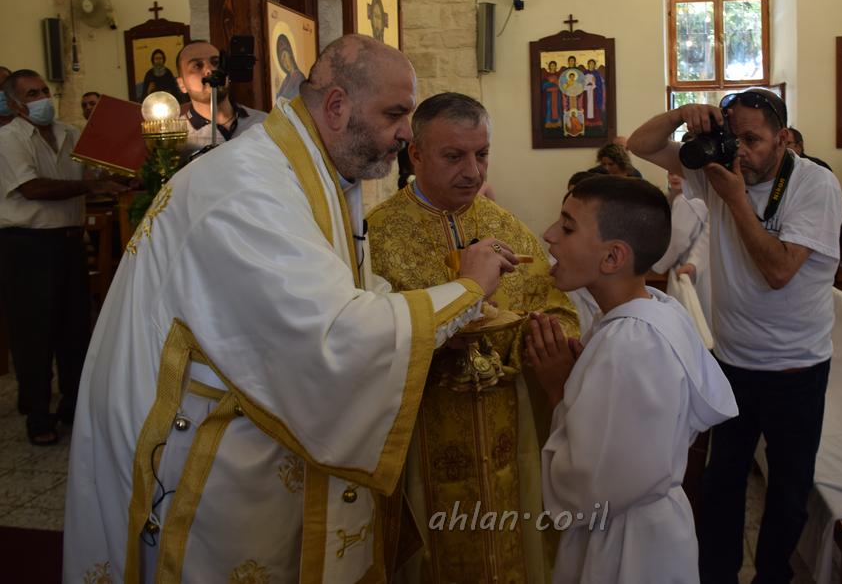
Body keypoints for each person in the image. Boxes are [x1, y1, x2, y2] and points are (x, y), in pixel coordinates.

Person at [63, 35, 519, 583]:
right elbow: (332, 335)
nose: (406, 133)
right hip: (201, 449)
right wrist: (466, 291)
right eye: (395, 114)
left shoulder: (308, 168)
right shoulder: (250, 188)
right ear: (337, 106)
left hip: (244, 423)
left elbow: (346, 284)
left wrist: (429, 306)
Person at [627, 88, 842, 584]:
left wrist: (736, 198)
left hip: (796, 368)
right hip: (732, 364)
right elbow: (641, 144)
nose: (740, 152)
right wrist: (682, 113)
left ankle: (772, 577)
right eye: (734, 138)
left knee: (788, 490)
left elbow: (779, 271)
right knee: (721, 482)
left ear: (783, 139)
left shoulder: (815, 185)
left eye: (753, 140)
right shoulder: (719, 170)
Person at [366, 92, 578, 583]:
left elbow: (555, 307)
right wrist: (433, 339)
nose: (472, 171)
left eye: (481, 154)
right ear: (416, 155)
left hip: (507, 429)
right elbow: (363, 336)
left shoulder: (505, 227)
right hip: (423, 431)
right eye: (454, 156)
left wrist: (545, 340)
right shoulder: (378, 236)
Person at [525, 175, 737, 583]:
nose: (549, 235)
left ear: (612, 257)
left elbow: (589, 486)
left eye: (567, 227)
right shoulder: (656, 307)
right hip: (648, 529)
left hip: (628, 546)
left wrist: (557, 391)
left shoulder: (630, 343)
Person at [0, 69, 127, 446]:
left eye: (44, 91)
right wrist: (91, 184)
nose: (43, 99)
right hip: (27, 244)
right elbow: (32, 188)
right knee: (33, 332)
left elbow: (98, 169)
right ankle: (37, 413)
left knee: (75, 328)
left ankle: (74, 403)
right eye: (32, 94)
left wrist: (125, 168)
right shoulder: (8, 139)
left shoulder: (69, 133)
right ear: (15, 105)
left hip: (69, 241)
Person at [175, 40, 267, 158]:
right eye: (197, 66)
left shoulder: (264, 124)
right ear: (182, 84)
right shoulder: (175, 138)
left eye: (216, 62)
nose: (210, 70)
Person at [651, 172, 711, 322]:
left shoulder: (686, 200)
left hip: (686, 269)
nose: (674, 177)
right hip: (702, 266)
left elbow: (678, 241)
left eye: (680, 173)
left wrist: (657, 266)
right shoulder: (700, 196)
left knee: (691, 319)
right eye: (671, 173)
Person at [274, 33, 305, 102]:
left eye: (284, 56)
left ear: (290, 54)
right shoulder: (286, 80)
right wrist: (277, 90)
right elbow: (278, 102)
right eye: (282, 60)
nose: (284, 62)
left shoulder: (299, 77)